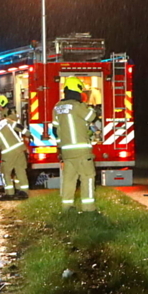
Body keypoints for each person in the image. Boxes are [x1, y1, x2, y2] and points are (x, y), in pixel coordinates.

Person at [53, 76, 98, 212]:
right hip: (82, 151)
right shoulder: (78, 106)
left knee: (69, 180)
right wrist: (91, 107)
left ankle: (67, 207)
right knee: (87, 178)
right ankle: (89, 209)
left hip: (66, 152)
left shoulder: (57, 107)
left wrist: (60, 148)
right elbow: (92, 117)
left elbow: (55, 130)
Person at [0, 108, 30, 199]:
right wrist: (29, 134)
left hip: (8, 152)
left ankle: (9, 193)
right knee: (20, 170)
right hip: (20, 148)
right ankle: (23, 192)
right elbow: (19, 127)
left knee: (5, 172)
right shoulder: (5, 121)